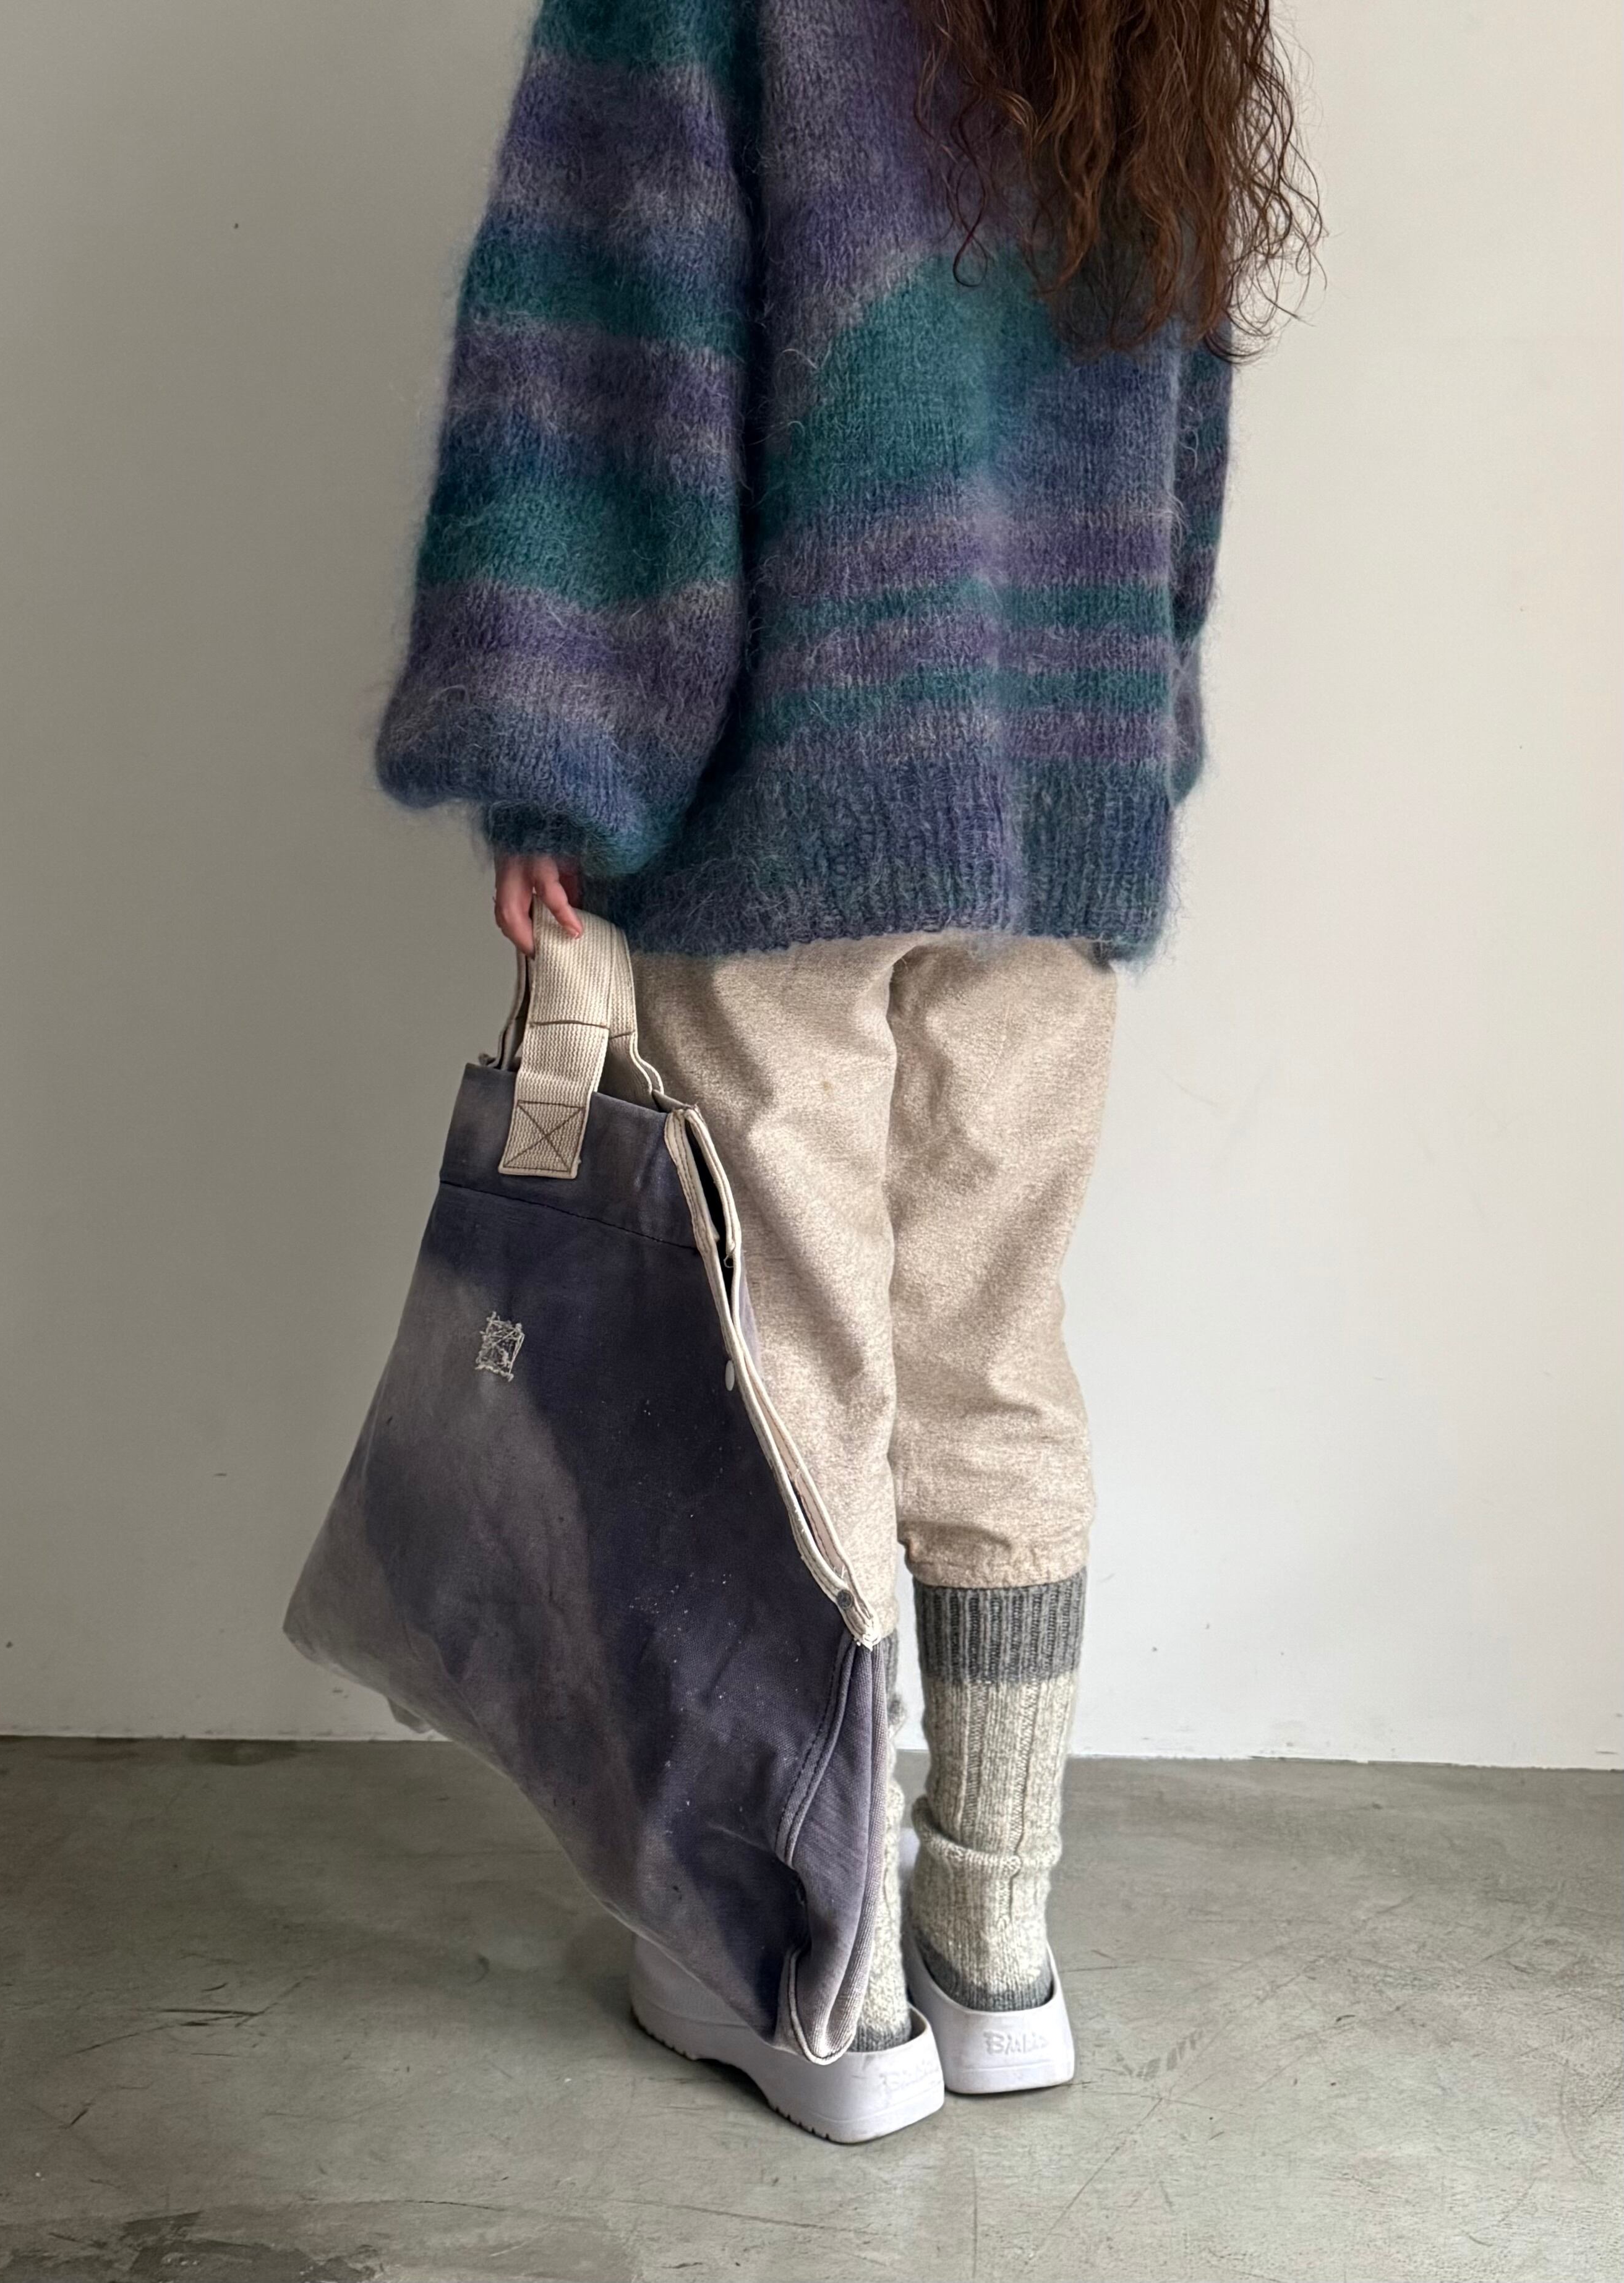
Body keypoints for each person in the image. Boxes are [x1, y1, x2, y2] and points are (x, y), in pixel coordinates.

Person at [374, 0, 1315, 2140]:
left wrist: (562, 763)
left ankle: (825, 1967)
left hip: (790, 797)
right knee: (996, 1356)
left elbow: (611, 364)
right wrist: (1131, 731)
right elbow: (1184, 427)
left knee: (793, 1366)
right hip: (1053, 791)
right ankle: (996, 1947)